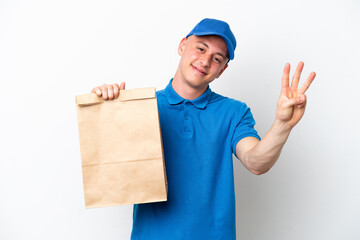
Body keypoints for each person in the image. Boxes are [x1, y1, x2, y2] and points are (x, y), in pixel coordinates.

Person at [91, 18, 316, 240]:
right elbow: (109, 167)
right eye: (200, 48)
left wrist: (283, 125)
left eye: (216, 58)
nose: (205, 61)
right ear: (182, 45)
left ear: (222, 70)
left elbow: (256, 162)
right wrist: (107, 108)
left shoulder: (234, 112)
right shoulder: (142, 106)